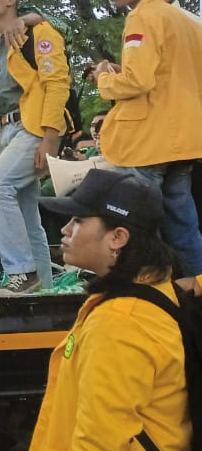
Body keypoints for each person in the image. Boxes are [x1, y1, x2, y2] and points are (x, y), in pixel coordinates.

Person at [32, 169, 189, 450]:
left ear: (117, 237)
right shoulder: (154, 291)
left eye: (79, 220)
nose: (65, 229)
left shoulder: (119, 322)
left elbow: (100, 442)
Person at [91, 0, 202, 278]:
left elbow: (137, 81)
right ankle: (195, 295)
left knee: (138, 230)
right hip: (184, 141)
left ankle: (150, 298)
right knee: (184, 230)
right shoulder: (187, 21)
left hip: (147, 143)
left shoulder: (142, 17)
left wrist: (103, 80)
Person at [0, 0, 71, 294]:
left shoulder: (39, 31)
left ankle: (21, 272)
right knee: (27, 215)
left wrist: (50, 138)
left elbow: (56, 84)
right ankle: (40, 288)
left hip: (33, 127)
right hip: (4, 131)